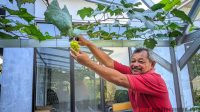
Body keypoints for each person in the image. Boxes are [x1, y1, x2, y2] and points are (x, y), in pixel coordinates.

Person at [70, 35, 173, 112]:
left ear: (152, 64)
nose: (135, 64)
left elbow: (119, 79)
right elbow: (109, 62)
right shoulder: (134, 73)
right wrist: (88, 44)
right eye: (133, 61)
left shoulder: (153, 79)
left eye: (141, 61)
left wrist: (88, 63)